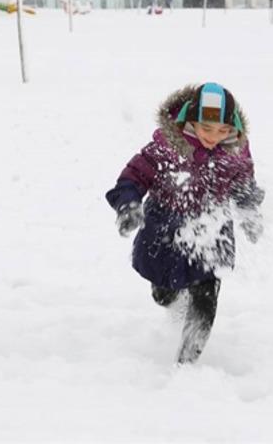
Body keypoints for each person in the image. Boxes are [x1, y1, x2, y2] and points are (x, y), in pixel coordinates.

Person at [105, 82, 264, 364]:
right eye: (207, 129)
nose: (214, 137)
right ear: (190, 121)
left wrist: (249, 210)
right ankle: (173, 299)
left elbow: (243, 184)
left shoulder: (236, 151)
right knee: (164, 294)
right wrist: (128, 204)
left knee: (206, 292)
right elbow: (133, 176)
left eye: (223, 130)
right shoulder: (166, 147)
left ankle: (188, 360)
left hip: (211, 227)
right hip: (165, 226)